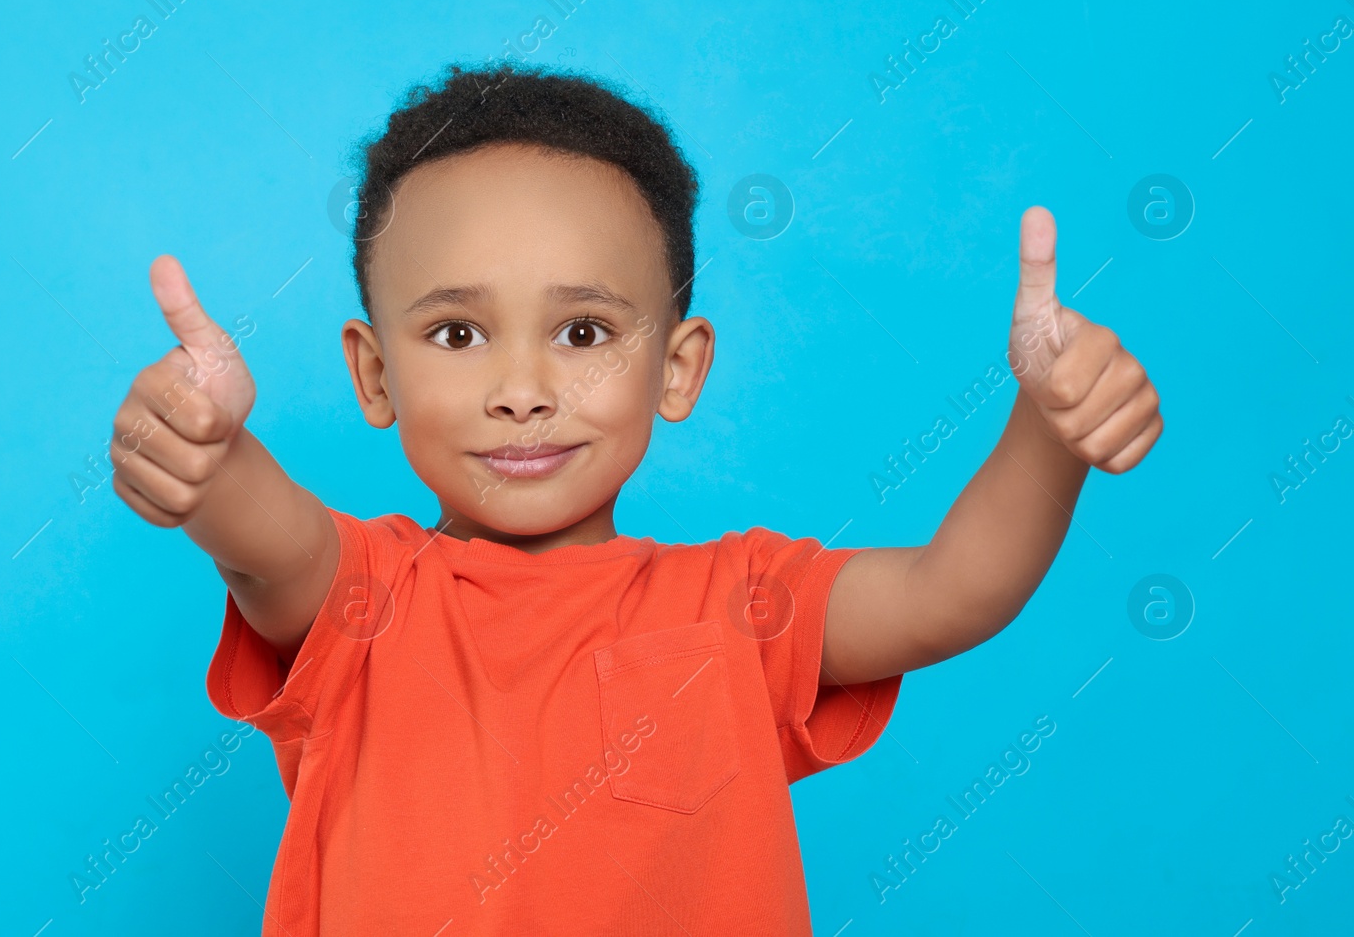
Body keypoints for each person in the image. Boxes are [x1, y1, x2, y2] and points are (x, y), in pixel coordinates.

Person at [108, 62, 1161, 935]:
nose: (521, 392)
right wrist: (204, 449)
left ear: (678, 366)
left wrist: (1047, 430)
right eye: (457, 334)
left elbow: (949, 591)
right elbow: (261, 531)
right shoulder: (362, 598)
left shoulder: (739, 604)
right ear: (374, 373)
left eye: (583, 333)